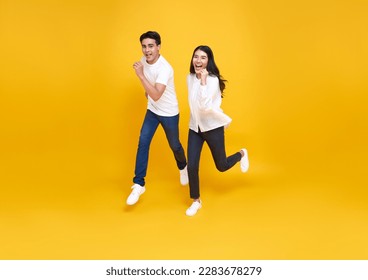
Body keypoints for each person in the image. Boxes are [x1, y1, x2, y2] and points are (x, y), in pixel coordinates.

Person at [185, 45, 249, 216]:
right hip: (195, 127)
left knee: (221, 166)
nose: (198, 60)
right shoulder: (190, 77)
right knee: (191, 165)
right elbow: (193, 105)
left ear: (208, 61)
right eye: (196, 56)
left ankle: (242, 154)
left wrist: (204, 82)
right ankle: (196, 201)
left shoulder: (212, 80)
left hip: (213, 127)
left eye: (203, 57)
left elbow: (205, 107)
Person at [126, 31, 188, 206]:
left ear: (159, 47)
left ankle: (183, 167)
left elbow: (157, 95)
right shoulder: (144, 60)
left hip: (168, 112)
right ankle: (138, 184)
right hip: (152, 111)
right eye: (144, 46)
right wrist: (148, 89)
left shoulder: (165, 68)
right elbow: (151, 93)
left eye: (151, 46)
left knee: (174, 145)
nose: (147, 51)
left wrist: (140, 76)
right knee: (143, 141)